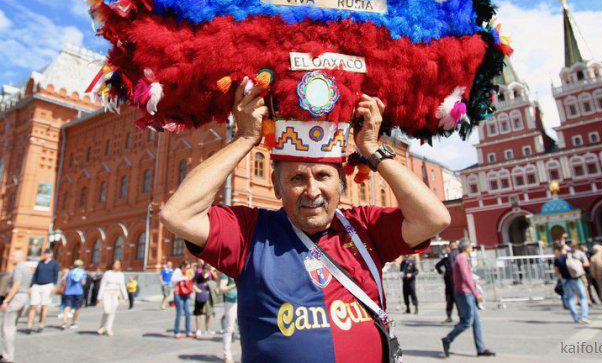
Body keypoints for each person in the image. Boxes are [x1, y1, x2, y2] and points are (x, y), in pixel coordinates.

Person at [159, 85, 451, 362]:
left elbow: (434, 218)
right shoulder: (252, 233)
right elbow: (178, 214)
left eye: (323, 176)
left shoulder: (364, 227)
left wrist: (372, 148)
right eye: (297, 178)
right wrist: (245, 138)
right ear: (276, 186)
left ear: (342, 184)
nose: (312, 191)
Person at [441, 240, 495, 358]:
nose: (472, 249)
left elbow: (466, 276)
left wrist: (474, 281)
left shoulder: (461, 258)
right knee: (467, 322)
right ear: (466, 248)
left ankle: (480, 349)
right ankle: (447, 339)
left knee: (477, 323)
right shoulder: (461, 259)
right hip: (465, 294)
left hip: (466, 292)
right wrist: (476, 294)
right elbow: (466, 277)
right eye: (471, 247)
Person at [1, 250, 31, 362]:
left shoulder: (18, 268)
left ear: (20, 256)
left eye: (13, 255)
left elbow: (16, 285)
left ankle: (8, 355)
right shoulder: (27, 268)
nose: (11, 257)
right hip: (23, 298)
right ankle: (8, 354)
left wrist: (6, 300)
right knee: (12, 327)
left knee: (7, 328)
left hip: (16, 298)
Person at [554, 244, 589, 324]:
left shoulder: (557, 259)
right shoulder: (572, 256)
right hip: (576, 279)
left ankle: (576, 318)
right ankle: (584, 316)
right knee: (582, 297)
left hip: (565, 280)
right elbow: (581, 265)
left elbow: (556, 273)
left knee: (570, 299)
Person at [27, 248, 59, 332]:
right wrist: (31, 286)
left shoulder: (54, 263)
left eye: (48, 253)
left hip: (47, 285)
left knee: (44, 306)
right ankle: (29, 325)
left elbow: (55, 275)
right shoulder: (40, 263)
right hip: (37, 285)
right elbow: (35, 275)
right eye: (45, 253)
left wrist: (54, 285)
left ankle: (41, 324)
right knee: (33, 305)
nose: (46, 255)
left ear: (51, 254)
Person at [97, 260, 128, 336]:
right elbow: (103, 284)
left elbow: (122, 286)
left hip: (115, 294)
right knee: (107, 310)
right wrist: (99, 296)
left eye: (119, 264)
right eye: (116, 264)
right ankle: (102, 326)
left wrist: (125, 297)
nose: (117, 265)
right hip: (106, 293)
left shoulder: (121, 274)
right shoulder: (107, 273)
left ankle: (108, 329)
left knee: (112, 312)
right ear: (112, 265)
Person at [436, 242, 461, 322]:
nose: (447, 250)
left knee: (458, 301)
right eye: (446, 248)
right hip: (448, 283)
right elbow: (437, 266)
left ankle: (461, 317)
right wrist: (441, 272)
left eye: (448, 248)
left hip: (455, 283)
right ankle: (449, 316)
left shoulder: (455, 257)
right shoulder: (445, 259)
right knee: (449, 300)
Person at [171, 261, 195, 339]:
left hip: (186, 293)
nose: (188, 269)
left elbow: (191, 280)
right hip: (178, 293)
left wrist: (191, 275)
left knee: (188, 312)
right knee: (179, 313)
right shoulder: (178, 271)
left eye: (188, 268)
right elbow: (173, 279)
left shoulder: (188, 272)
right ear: (183, 266)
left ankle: (188, 331)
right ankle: (177, 332)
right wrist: (184, 277)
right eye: (187, 268)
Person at [62, 259, 87, 329]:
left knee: (67, 306)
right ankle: (73, 322)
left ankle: (64, 322)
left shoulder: (70, 272)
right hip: (78, 292)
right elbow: (83, 283)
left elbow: (65, 282)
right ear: (81, 266)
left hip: (69, 292)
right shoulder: (82, 273)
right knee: (77, 307)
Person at [219, 272, 238, 363]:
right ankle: (227, 355)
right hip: (231, 302)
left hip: (244, 299)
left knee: (245, 328)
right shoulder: (227, 272)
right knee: (229, 328)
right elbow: (222, 288)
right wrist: (235, 284)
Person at [193, 262, 215, 338]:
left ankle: (207, 329)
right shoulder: (198, 274)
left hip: (208, 296)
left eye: (208, 268)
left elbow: (214, 283)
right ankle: (198, 330)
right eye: (205, 268)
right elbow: (193, 284)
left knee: (208, 314)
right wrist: (198, 291)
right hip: (200, 296)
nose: (206, 270)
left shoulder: (210, 274)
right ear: (202, 268)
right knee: (198, 313)